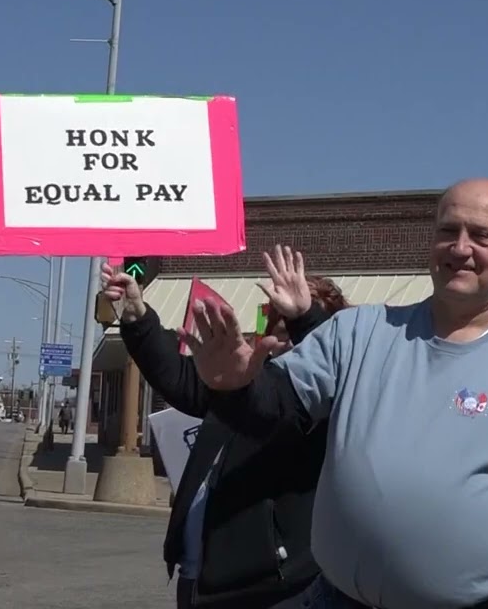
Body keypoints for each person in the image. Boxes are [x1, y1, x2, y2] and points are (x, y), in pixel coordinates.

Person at [183, 178, 488, 609]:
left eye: (482, 235)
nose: (460, 247)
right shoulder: (358, 333)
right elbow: (275, 410)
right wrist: (235, 385)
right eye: (448, 230)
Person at [101, 246, 348, 609]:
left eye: (292, 330)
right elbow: (180, 377)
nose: (286, 344)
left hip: (274, 591)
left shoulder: (326, 406)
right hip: (199, 582)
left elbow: (340, 364)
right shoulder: (243, 384)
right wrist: (137, 315)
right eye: (277, 329)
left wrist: (305, 317)